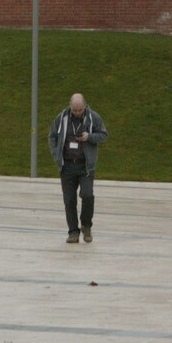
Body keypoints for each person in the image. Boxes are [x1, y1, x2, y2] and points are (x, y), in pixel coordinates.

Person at [48, 92, 107, 243]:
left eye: (80, 110)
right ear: (70, 106)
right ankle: (73, 231)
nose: (77, 113)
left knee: (87, 196)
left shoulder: (94, 117)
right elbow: (52, 136)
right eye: (74, 110)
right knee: (69, 200)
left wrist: (90, 137)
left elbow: (103, 135)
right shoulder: (62, 118)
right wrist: (56, 156)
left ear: (85, 106)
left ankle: (86, 226)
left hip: (85, 167)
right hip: (67, 166)